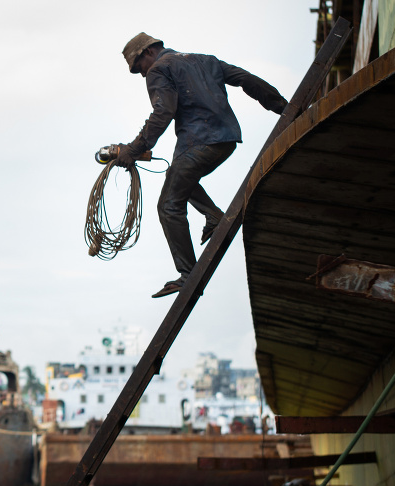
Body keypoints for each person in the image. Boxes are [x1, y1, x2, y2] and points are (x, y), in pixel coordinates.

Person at [101, 33, 288, 298]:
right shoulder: (206, 60)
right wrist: (282, 107)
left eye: (138, 67)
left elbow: (162, 112)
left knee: (168, 206)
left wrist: (133, 150)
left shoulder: (159, 69)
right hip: (226, 140)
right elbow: (245, 79)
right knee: (176, 176)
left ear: (148, 53)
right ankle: (212, 215)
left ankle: (189, 275)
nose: (142, 75)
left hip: (198, 143)